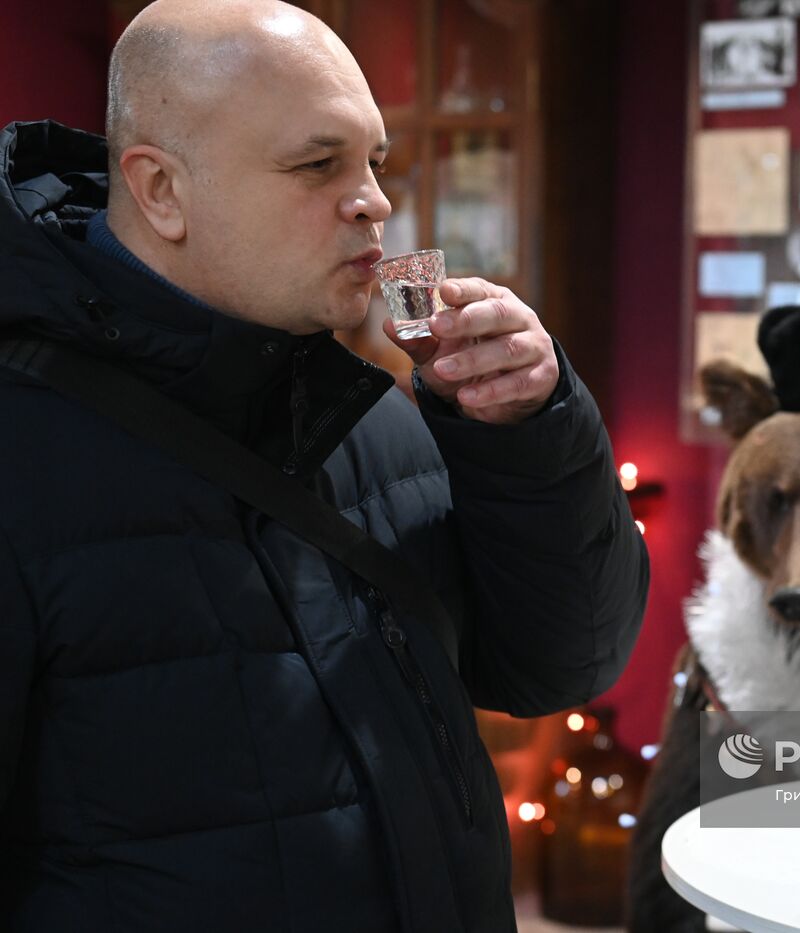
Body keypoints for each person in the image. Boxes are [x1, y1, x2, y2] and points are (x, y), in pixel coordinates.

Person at [0, 2, 648, 931]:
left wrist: (528, 431)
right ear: (161, 190)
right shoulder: (24, 441)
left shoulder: (374, 406)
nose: (376, 201)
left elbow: (560, 664)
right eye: (318, 165)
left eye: (375, 162)